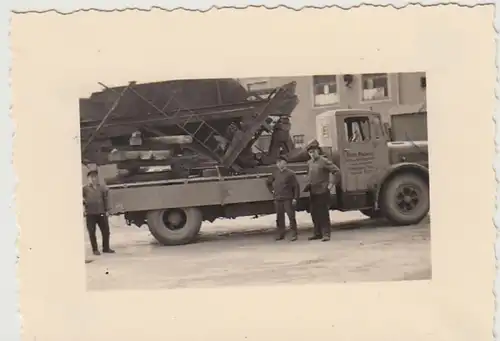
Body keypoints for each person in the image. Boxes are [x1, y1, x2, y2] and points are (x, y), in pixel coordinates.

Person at [303, 139, 340, 242]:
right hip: (313, 192)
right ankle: (317, 233)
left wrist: (331, 185)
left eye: (313, 152)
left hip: (322, 191)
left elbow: (337, 172)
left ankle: (326, 234)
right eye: (310, 152)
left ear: (318, 151)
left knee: (323, 214)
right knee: (314, 213)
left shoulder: (324, 161)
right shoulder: (309, 163)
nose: (312, 154)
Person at [266, 155, 300, 241]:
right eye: (277, 162)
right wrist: (272, 191)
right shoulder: (275, 173)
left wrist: (295, 198)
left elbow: (296, 186)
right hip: (278, 199)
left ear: (284, 163)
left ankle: (294, 234)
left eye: (280, 162)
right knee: (279, 217)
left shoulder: (290, 173)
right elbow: (268, 182)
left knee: (291, 216)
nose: (278, 164)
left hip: (288, 198)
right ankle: (281, 233)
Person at [82, 169, 115, 255]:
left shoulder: (102, 188)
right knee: (92, 232)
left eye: (95, 177)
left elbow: (106, 199)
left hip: (101, 212)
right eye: (91, 177)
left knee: (106, 231)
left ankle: (106, 248)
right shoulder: (85, 189)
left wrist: (108, 210)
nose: (93, 179)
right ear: (88, 178)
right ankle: (95, 249)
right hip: (90, 214)